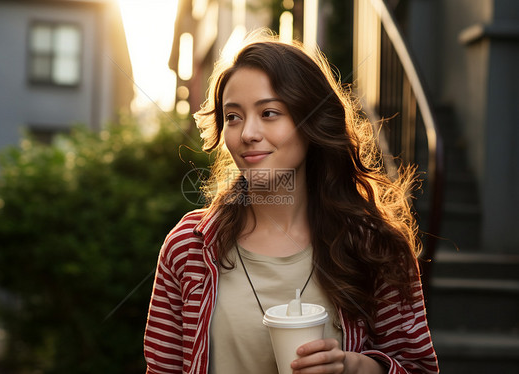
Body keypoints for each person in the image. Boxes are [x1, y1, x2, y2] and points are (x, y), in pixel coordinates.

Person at [144, 30, 438, 374]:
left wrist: (355, 368)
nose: (248, 133)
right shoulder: (188, 247)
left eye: (269, 113)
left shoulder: (375, 247)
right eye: (233, 117)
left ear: (311, 122)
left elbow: (418, 368)